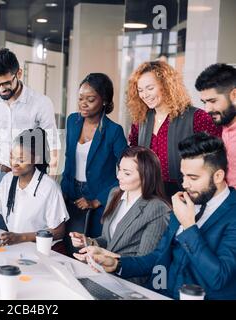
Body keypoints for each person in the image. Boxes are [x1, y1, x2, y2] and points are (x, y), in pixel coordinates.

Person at [83, 133, 236, 300]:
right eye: (183, 176)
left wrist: (189, 227)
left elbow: (219, 278)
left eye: (193, 178)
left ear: (218, 176)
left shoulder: (231, 214)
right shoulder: (185, 202)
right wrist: (116, 264)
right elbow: (157, 256)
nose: (184, 184)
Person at [0, 48, 61, 229]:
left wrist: (50, 184)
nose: (1, 89)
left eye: (6, 83)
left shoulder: (41, 103)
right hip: (0, 175)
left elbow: (54, 144)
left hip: (29, 179)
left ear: (19, 73)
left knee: (23, 236)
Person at [69, 146, 170, 285]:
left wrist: (106, 258)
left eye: (126, 173)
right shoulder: (115, 194)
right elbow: (108, 239)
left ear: (146, 176)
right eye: (120, 169)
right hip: (103, 272)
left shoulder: (157, 209)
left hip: (129, 281)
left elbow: (145, 264)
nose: (118, 176)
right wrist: (88, 241)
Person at [127, 61, 221, 198]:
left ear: (165, 86)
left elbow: (216, 158)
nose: (144, 95)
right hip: (148, 192)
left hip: (184, 194)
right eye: (140, 90)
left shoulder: (198, 117)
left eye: (150, 88)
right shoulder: (140, 120)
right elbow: (133, 153)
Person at [60, 73, 128, 254]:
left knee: (90, 248)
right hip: (70, 192)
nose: (83, 103)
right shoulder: (73, 121)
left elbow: (127, 172)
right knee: (68, 245)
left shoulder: (114, 131)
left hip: (99, 196)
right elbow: (69, 159)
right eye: (80, 98)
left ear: (104, 100)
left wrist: (97, 201)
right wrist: (62, 190)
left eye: (90, 99)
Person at [0, 128, 69, 251]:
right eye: (12, 157)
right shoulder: (7, 180)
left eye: (21, 160)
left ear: (36, 159)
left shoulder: (49, 187)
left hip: (45, 250)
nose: (14, 163)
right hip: (18, 247)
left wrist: (22, 237)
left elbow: (59, 231)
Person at [195, 63, 236, 188]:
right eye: (204, 102)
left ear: (234, 95)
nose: (207, 109)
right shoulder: (220, 126)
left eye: (213, 101)